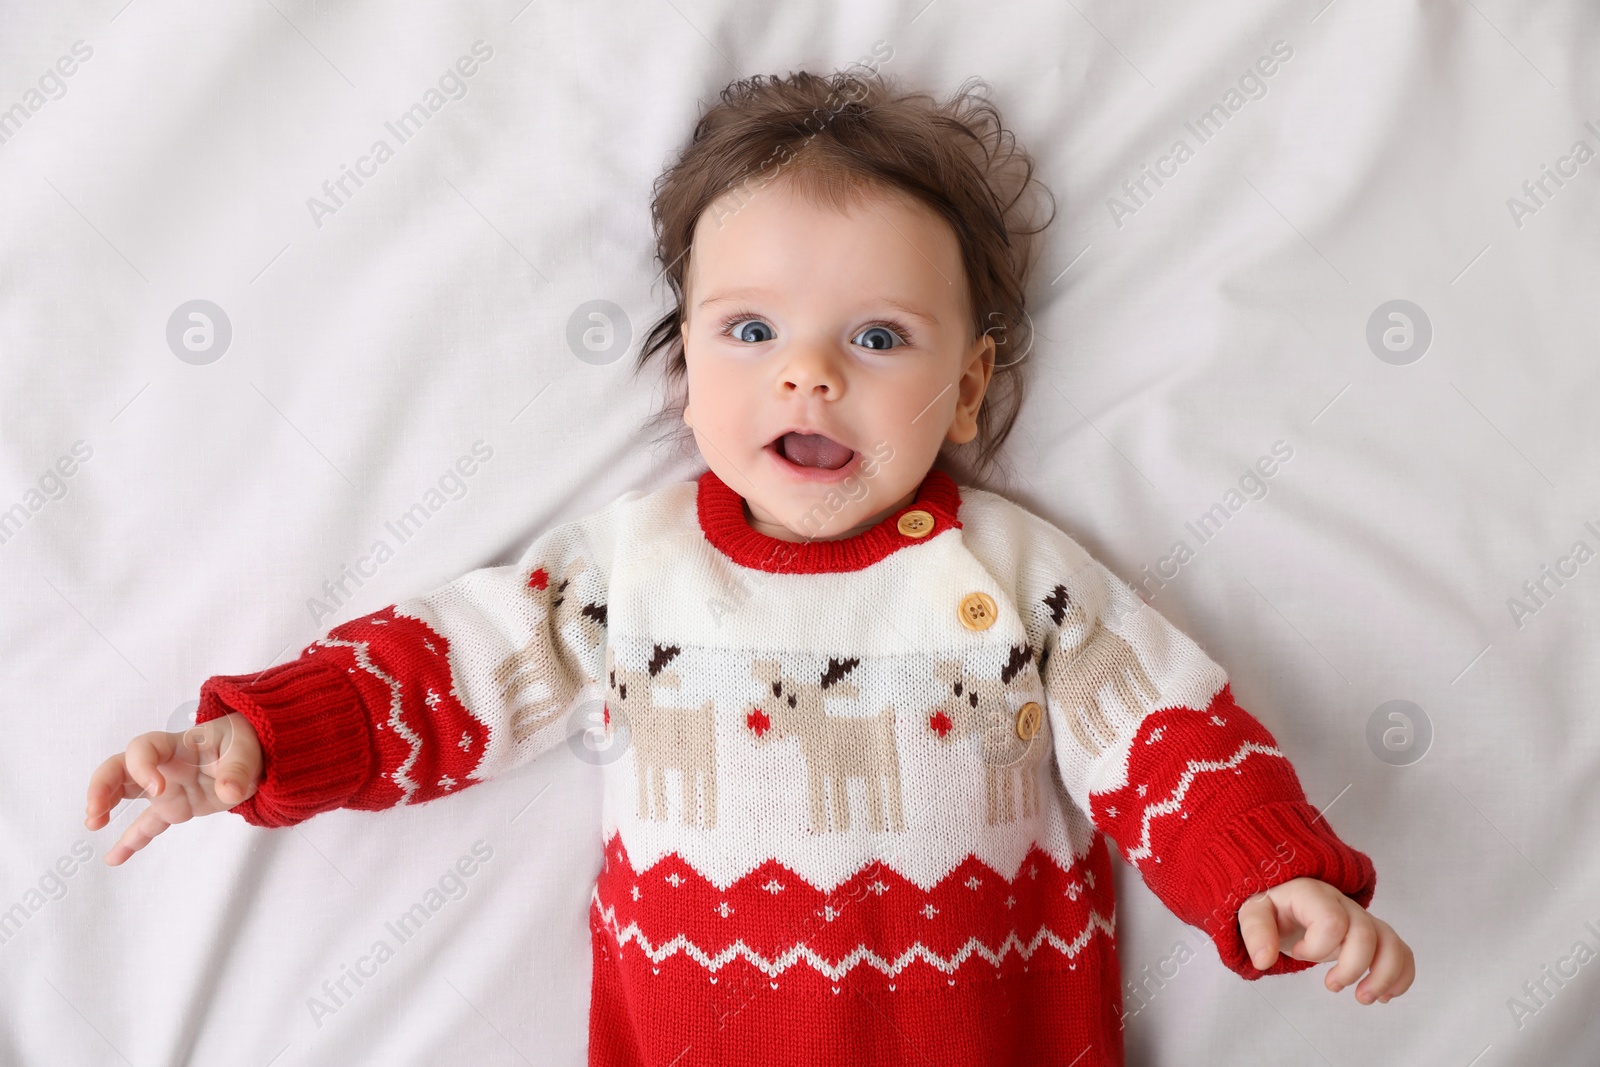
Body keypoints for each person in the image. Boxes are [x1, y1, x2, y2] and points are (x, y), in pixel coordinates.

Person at [84, 66, 1414, 1066]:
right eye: (752, 328)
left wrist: (1266, 872)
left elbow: (1167, 734)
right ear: (686, 377)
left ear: (968, 390)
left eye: (879, 338)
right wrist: (263, 739)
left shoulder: (1015, 576)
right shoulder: (628, 571)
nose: (809, 372)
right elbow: (448, 675)